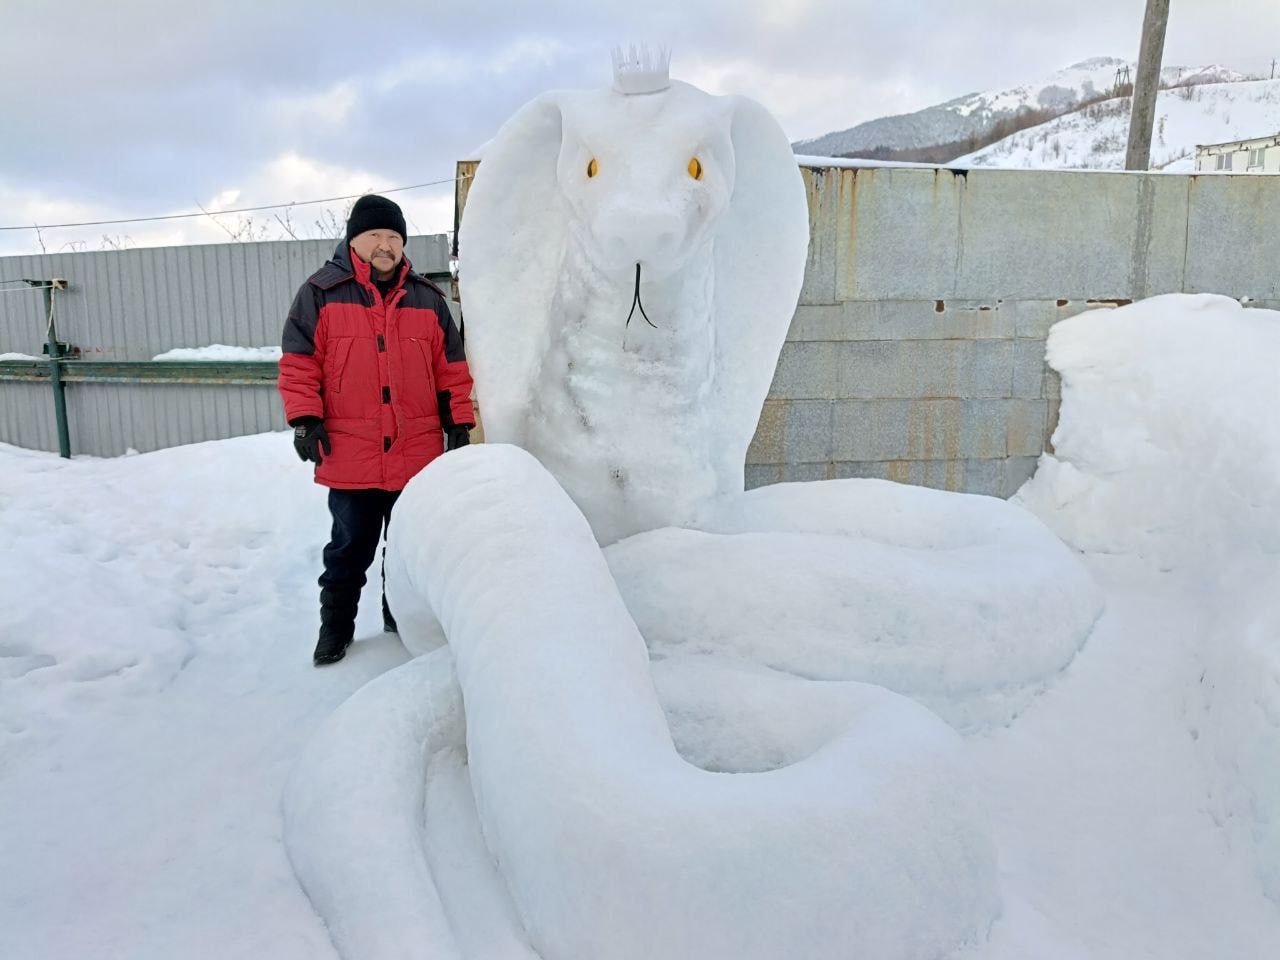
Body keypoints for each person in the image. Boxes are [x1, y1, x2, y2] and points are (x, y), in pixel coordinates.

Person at [278, 194, 475, 666]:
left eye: (393, 237)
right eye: (375, 236)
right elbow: (299, 364)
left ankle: (399, 622)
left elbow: (451, 367)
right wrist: (305, 418)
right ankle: (335, 630)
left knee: (405, 552)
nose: (385, 246)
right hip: (352, 452)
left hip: (416, 453)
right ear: (354, 239)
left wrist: (460, 420)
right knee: (348, 550)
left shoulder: (427, 299)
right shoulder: (320, 293)